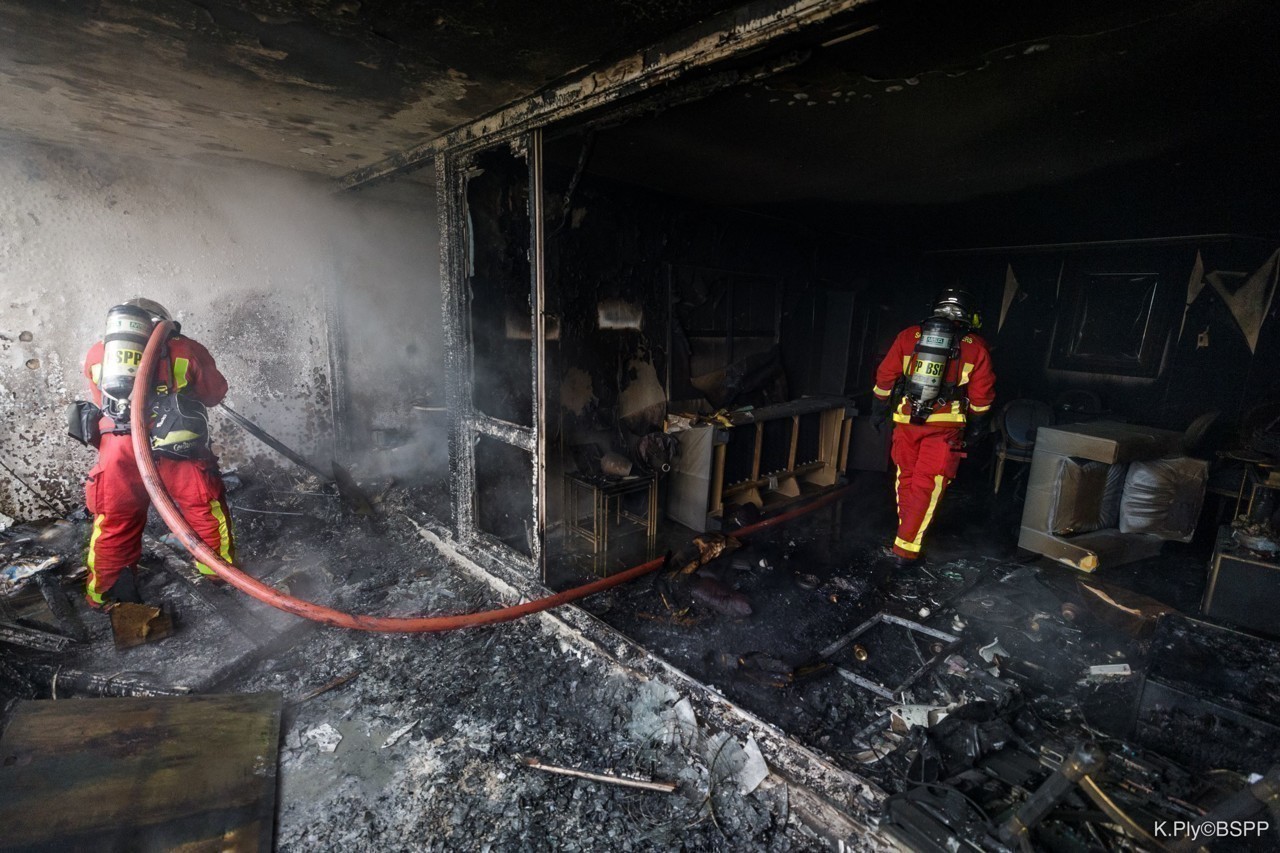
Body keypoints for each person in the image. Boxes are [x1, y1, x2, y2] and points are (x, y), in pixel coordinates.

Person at [80, 298, 236, 607]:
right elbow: (214, 392)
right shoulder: (184, 348)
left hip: (119, 450)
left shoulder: (99, 353)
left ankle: (104, 594)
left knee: (114, 520)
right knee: (203, 508)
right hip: (177, 445)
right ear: (161, 323)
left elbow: (104, 404)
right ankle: (218, 574)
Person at [871, 288, 996, 565]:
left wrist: (878, 409)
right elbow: (982, 397)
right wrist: (977, 426)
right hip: (944, 427)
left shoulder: (909, 336)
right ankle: (905, 551)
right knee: (928, 486)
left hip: (906, 421)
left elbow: (885, 376)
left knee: (906, 478)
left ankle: (906, 534)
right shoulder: (976, 346)